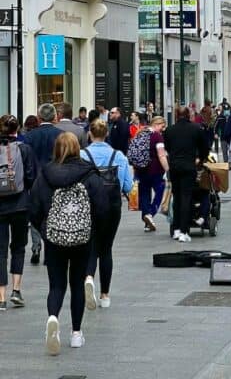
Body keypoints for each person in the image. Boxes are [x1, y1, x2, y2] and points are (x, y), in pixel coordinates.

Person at [29, 132, 109, 354]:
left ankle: (53, 317)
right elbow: (103, 207)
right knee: (76, 284)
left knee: (56, 285)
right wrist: (94, 230)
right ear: (78, 148)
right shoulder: (89, 174)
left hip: (54, 238)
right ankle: (76, 333)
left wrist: (45, 229)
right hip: (83, 239)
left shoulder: (45, 175)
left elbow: (33, 208)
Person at [81, 118, 133, 311]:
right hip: (111, 205)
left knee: (91, 245)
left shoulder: (82, 155)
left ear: (90, 134)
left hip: (89, 204)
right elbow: (127, 185)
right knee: (107, 248)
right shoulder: (118, 156)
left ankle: (88, 277)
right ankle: (105, 295)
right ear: (107, 134)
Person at [0, 115, 36, 310]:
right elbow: (31, 177)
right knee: (19, 248)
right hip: (21, 205)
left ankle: (1, 297)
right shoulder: (24, 149)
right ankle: (16, 290)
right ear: (18, 129)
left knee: (0, 250)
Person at [163, 107, 210, 241]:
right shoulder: (196, 129)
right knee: (186, 198)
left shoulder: (169, 130)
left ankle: (176, 228)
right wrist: (200, 160)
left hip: (174, 167)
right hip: (189, 166)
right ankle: (184, 231)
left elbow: (167, 148)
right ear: (189, 115)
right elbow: (204, 148)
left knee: (176, 197)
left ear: (176, 116)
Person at [25, 103, 61, 266]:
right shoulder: (60, 135)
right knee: (53, 214)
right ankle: (50, 248)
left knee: (35, 215)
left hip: (35, 182)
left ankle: (36, 246)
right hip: (55, 180)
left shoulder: (30, 137)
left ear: (39, 118)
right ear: (55, 117)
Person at [136, 116, 169, 232]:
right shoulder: (157, 136)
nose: (163, 129)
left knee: (144, 193)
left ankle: (146, 220)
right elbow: (161, 155)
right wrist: (167, 169)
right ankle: (150, 213)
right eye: (162, 126)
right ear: (156, 124)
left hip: (141, 169)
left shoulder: (140, 133)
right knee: (160, 189)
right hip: (155, 169)